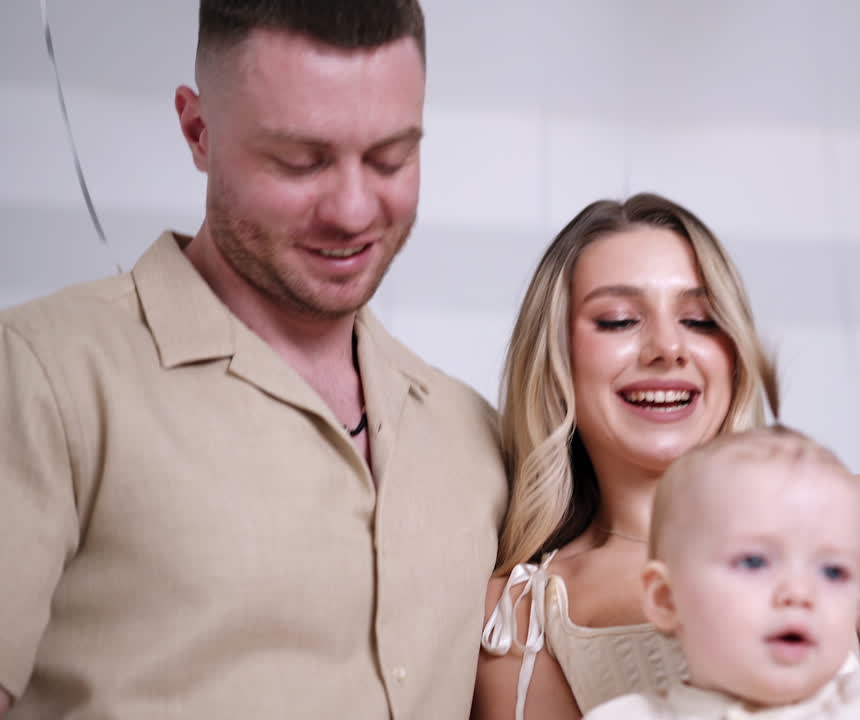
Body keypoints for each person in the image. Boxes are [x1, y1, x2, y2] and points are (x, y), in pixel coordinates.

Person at [0, 2, 506, 718]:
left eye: (392, 158)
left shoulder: (476, 436)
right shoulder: (40, 376)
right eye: (301, 162)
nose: (353, 210)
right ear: (197, 130)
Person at [472, 193, 860, 720]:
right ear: (556, 355)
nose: (667, 348)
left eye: (700, 320)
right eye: (617, 320)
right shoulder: (519, 612)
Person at [583, 425, 860, 720]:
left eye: (834, 572)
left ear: (856, 607)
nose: (800, 593)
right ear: (666, 599)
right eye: (754, 562)